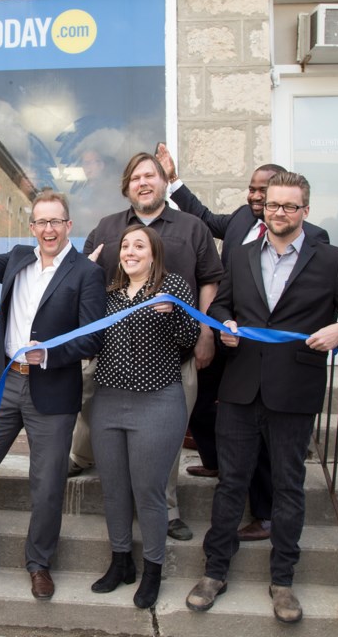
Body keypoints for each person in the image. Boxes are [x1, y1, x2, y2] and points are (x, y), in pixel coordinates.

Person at [185, 172, 338, 623]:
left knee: (288, 487)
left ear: (305, 211)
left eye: (290, 206)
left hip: (295, 391)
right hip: (240, 388)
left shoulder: (331, 260)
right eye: (273, 205)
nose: (280, 213)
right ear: (264, 208)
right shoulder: (244, 255)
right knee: (231, 482)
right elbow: (221, 306)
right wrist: (225, 325)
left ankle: (283, 581)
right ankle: (214, 573)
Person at [0, 183, 106, 600]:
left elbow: (92, 339)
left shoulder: (86, 273)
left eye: (56, 221)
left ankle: (38, 563)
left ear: (68, 225)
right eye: (41, 221)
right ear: (32, 226)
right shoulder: (18, 258)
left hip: (52, 391)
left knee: (46, 485)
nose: (48, 229)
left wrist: (46, 355)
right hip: (5, 385)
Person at [156, 144, 330, 542]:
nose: (256, 197)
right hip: (231, 344)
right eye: (253, 190)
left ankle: (266, 514)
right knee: (201, 406)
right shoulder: (238, 219)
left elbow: (319, 293)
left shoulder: (316, 238)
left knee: (270, 446)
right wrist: (173, 179)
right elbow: (203, 217)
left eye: (263, 191)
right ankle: (217, 461)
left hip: (279, 362)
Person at [74, 152, 223, 542]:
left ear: (164, 182)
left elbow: (209, 280)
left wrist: (206, 333)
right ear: (127, 187)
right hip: (108, 354)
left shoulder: (192, 228)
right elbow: (84, 275)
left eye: (151, 176)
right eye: (136, 177)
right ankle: (82, 462)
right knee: (92, 413)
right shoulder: (107, 228)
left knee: (165, 437)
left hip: (171, 357)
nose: (144, 182)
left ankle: (165, 506)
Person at [89, 224, 199, 608]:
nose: (130, 251)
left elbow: (190, 337)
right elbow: (84, 333)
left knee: (148, 491)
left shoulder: (174, 288)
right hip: (108, 402)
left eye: (139, 245)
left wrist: (171, 314)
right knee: (114, 489)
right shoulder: (109, 294)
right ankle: (121, 562)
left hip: (157, 402)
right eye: (125, 245)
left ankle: (152, 570)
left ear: (154, 253)